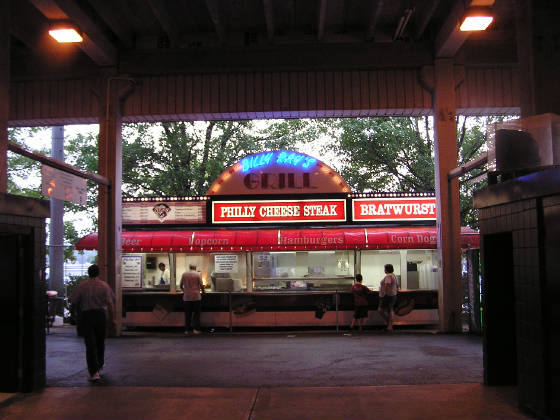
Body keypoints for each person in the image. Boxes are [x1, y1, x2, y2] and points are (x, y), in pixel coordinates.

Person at [70, 264, 116, 382]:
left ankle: (93, 371)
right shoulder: (104, 286)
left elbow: (74, 302)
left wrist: (74, 315)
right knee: (100, 341)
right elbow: (110, 303)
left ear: (88, 273)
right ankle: (100, 364)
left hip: (87, 316)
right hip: (100, 315)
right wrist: (112, 318)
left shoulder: (82, 286)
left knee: (90, 344)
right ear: (98, 273)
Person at [180, 264, 205, 335]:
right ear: (195, 267)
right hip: (196, 296)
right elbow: (201, 285)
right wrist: (203, 291)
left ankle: (187, 330)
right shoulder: (197, 274)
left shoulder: (184, 274)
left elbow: (181, 285)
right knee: (196, 314)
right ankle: (196, 329)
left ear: (189, 267)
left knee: (187, 314)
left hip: (187, 297)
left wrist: (185, 291)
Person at [378, 264, 399, 331]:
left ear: (386, 269)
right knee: (390, 310)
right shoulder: (394, 276)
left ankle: (389, 324)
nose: (384, 270)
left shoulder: (388, 276)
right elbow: (397, 286)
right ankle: (390, 325)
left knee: (381, 310)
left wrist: (385, 294)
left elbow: (387, 285)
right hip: (393, 295)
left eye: (384, 269)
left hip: (387, 295)